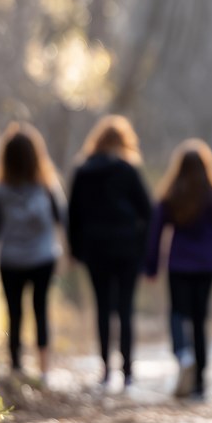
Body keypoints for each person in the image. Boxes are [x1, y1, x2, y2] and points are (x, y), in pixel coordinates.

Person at [67, 115, 153, 391]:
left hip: (95, 249)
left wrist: (75, 250)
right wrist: (142, 246)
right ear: (123, 142)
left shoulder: (83, 171)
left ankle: (105, 369)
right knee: (125, 309)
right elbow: (148, 212)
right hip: (126, 248)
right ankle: (127, 371)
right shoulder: (128, 170)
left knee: (102, 307)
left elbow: (73, 214)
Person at [144, 139, 212, 400]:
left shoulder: (172, 194)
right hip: (206, 264)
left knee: (177, 313)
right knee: (199, 320)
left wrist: (151, 266)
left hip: (179, 263)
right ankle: (200, 383)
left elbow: (155, 232)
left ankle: (183, 354)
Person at [0, 122, 64, 384]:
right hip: (43, 258)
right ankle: (44, 371)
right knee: (40, 311)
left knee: (14, 313)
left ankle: (16, 369)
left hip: (11, 260)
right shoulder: (47, 187)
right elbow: (61, 218)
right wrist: (69, 252)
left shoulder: (0, 192)